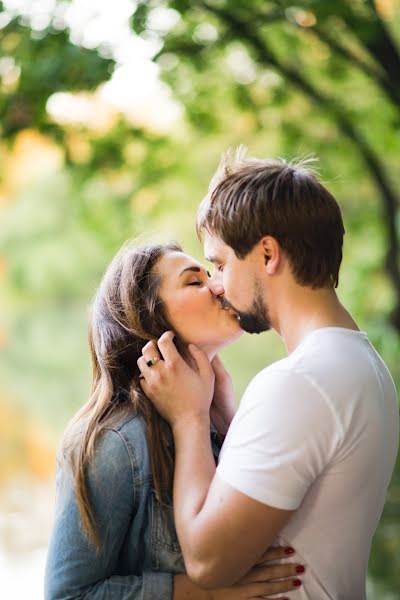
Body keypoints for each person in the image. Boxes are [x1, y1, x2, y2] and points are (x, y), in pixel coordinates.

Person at [138, 149, 399, 599]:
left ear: (267, 254)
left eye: (220, 264)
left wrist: (189, 420)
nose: (216, 284)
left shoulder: (299, 383)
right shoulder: (363, 364)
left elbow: (206, 561)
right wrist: (228, 417)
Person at [44, 240, 305, 600]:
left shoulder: (217, 413)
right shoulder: (116, 443)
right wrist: (204, 593)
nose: (217, 285)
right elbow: (67, 595)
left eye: (211, 274)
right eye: (195, 282)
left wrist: (224, 420)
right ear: (151, 319)